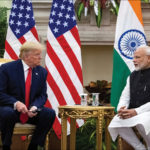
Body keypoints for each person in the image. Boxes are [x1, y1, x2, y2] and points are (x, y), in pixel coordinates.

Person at [0, 41, 56, 150]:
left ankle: (33, 146)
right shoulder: (7, 69)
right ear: (26, 56)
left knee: (49, 113)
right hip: (10, 108)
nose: (40, 57)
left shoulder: (42, 72)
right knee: (8, 114)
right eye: (37, 54)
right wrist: (16, 103)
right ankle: (6, 146)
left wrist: (35, 107)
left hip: (30, 111)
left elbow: (42, 95)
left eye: (40, 54)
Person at [108, 45, 150, 150]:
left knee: (142, 119)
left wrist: (137, 111)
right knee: (117, 121)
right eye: (134, 57)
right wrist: (122, 109)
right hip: (134, 111)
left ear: (149, 58)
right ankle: (139, 148)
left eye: (138, 57)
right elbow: (125, 96)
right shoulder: (132, 75)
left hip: (146, 112)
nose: (134, 60)